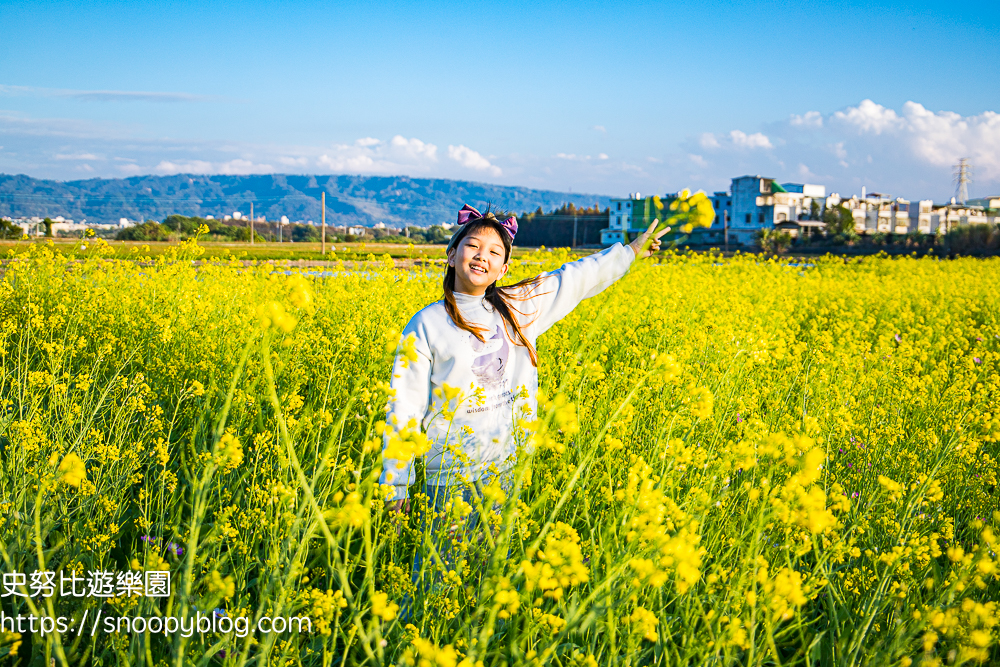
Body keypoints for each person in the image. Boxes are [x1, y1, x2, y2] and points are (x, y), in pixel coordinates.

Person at [379, 203, 666, 599]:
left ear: (504, 269)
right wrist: (396, 483)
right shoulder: (427, 324)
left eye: (495, 252)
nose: (482, 256)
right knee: (436, 581)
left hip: (505, 470)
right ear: (451, 254)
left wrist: (629, 252)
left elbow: (574, 279)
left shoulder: (516, 308)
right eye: (472, 246)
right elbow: (404, 406)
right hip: (449, 476)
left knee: (491, 577)